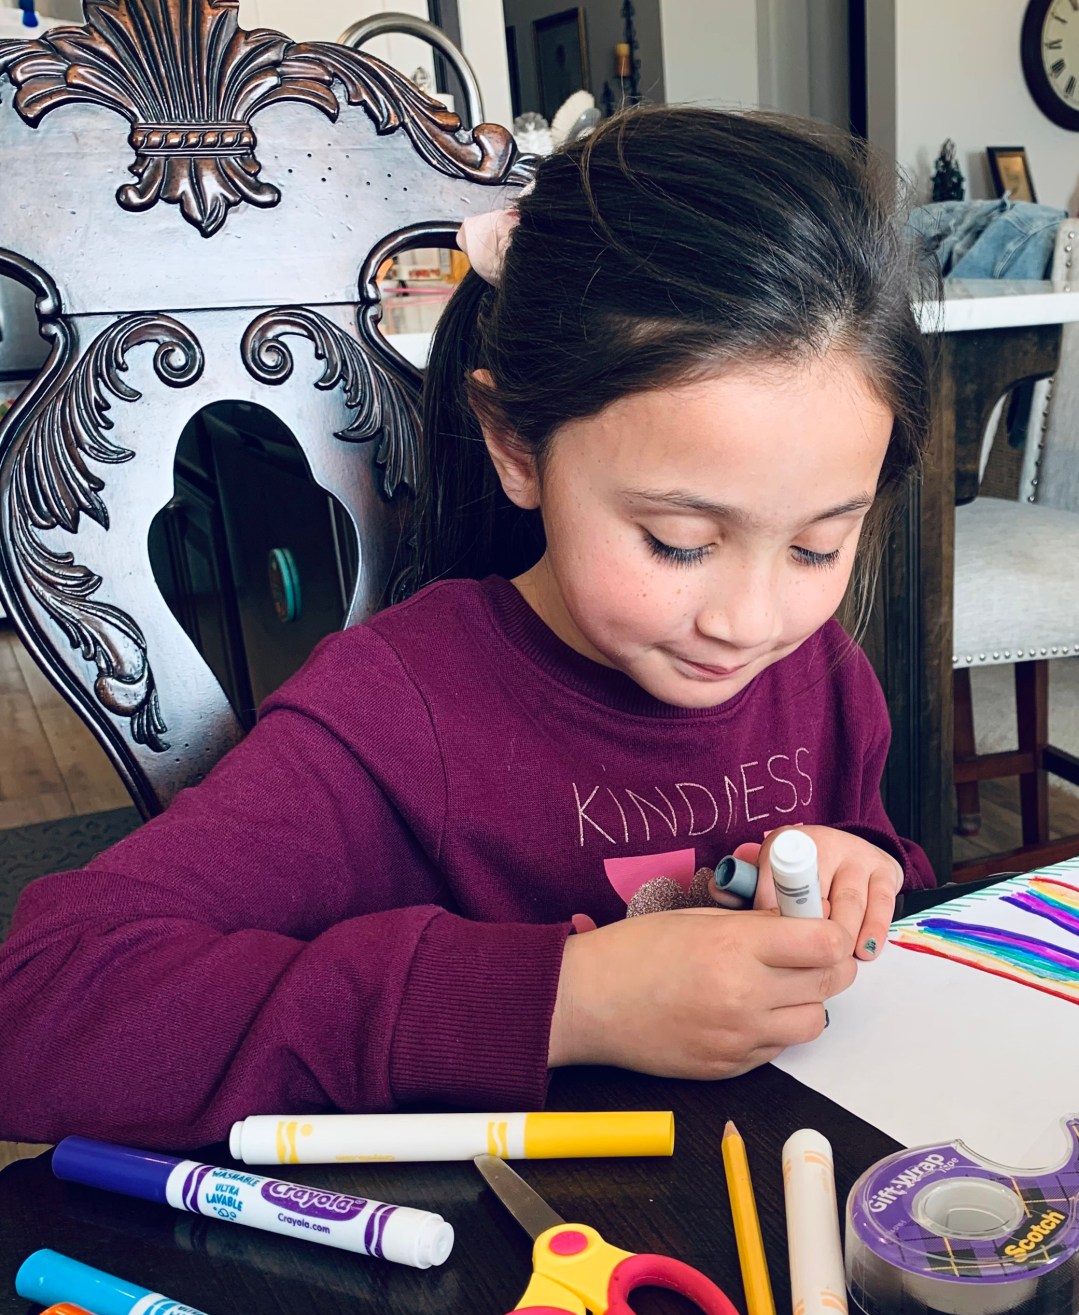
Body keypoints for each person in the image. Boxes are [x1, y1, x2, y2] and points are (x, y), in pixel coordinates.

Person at [0, 107, 936, 1148]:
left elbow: (872, 856)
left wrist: (861, 867)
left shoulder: (820, 673)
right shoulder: (395, 710)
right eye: (676, 541)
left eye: (816, 547)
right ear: (517, 447)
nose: (752, 620)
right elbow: (41, 1006)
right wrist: (563, 1000)